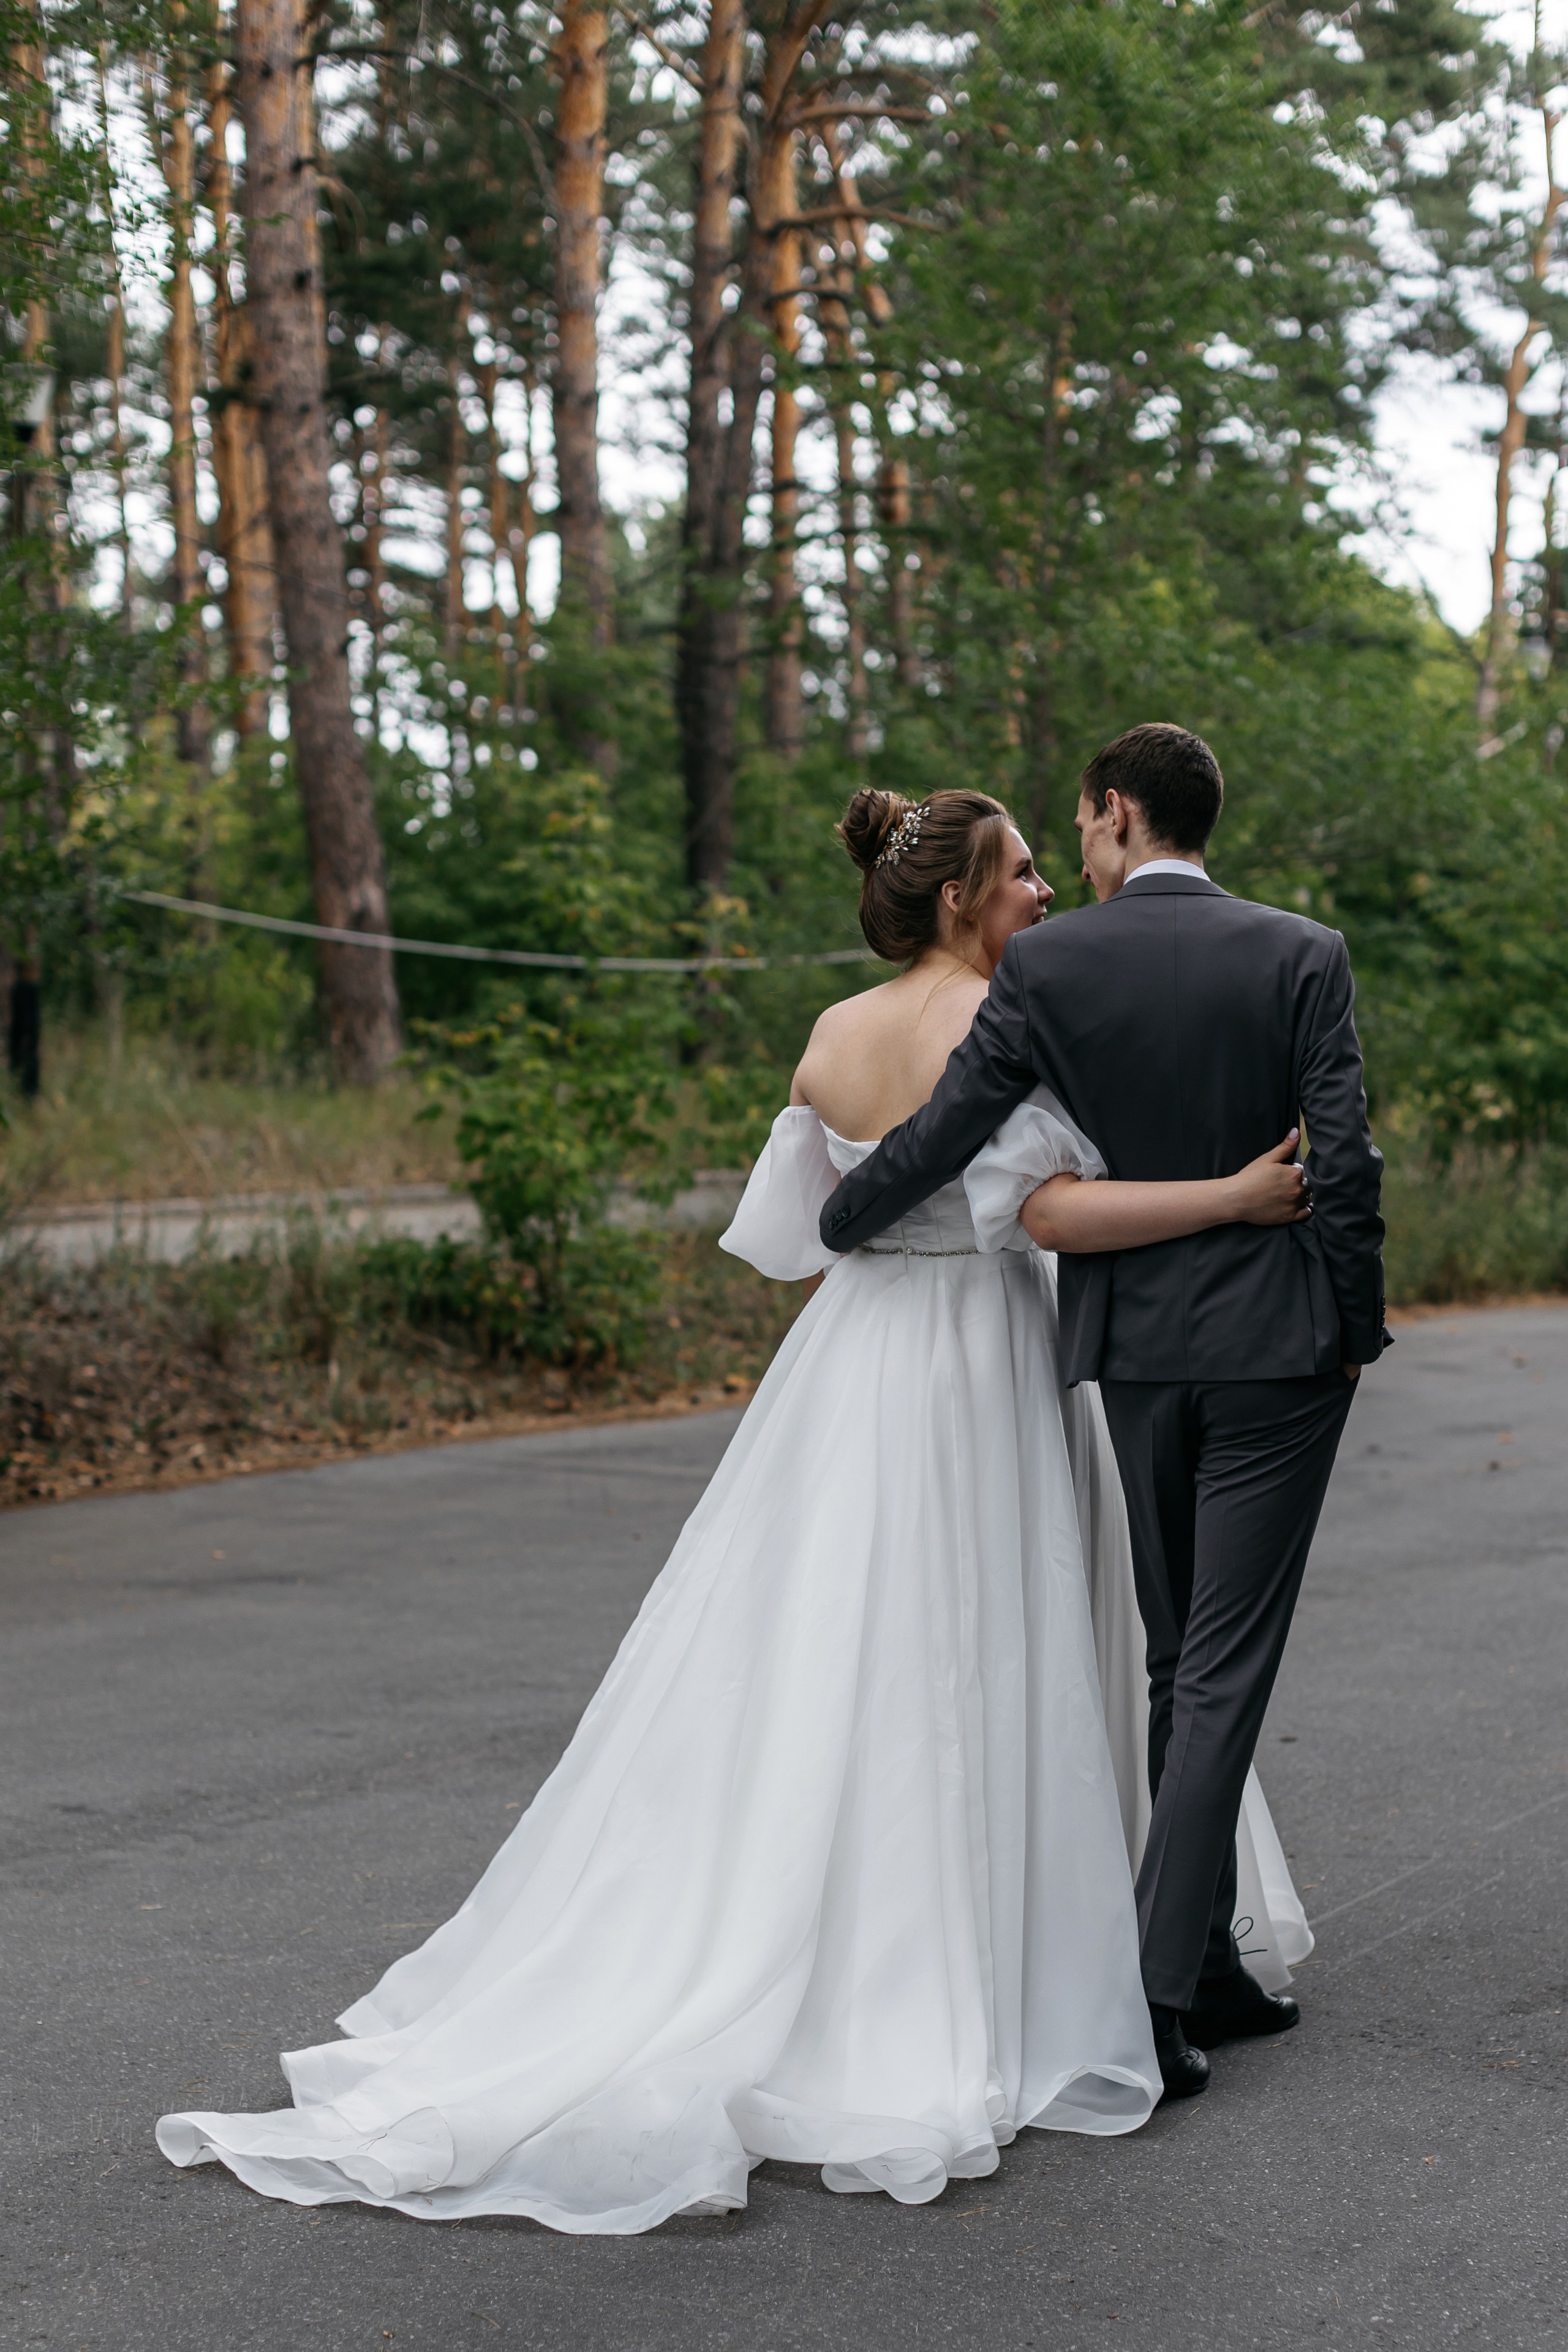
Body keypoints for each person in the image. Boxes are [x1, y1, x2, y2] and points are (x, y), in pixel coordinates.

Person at [156, 786, 1314, 2234]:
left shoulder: (832, 1033)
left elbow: (790, 1237)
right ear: (957, 898)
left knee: (836, 1656)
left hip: (856, 1360)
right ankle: (1000, 1964)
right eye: (1021, 873)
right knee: (981, 1645)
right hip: (981, 1352)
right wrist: (1228, 1197)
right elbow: (1046, 1215)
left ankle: (830, 1930)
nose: (1040, 894)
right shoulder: (1002, 1022)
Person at [820, 729, 1389, 2101]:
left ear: (1117, 811)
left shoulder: (1052, 966)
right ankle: (1157, 1985)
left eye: (1077, 825)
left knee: (1174, 1659)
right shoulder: (1302, 952)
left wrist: (846, 1214)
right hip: (1276, 1355)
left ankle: (1206, 1963)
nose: (1072, 853)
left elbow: (951, 1129)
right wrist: (1351, 1325)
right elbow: (1347, 1158)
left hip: (1132, 1353)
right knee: (1218, 1669)